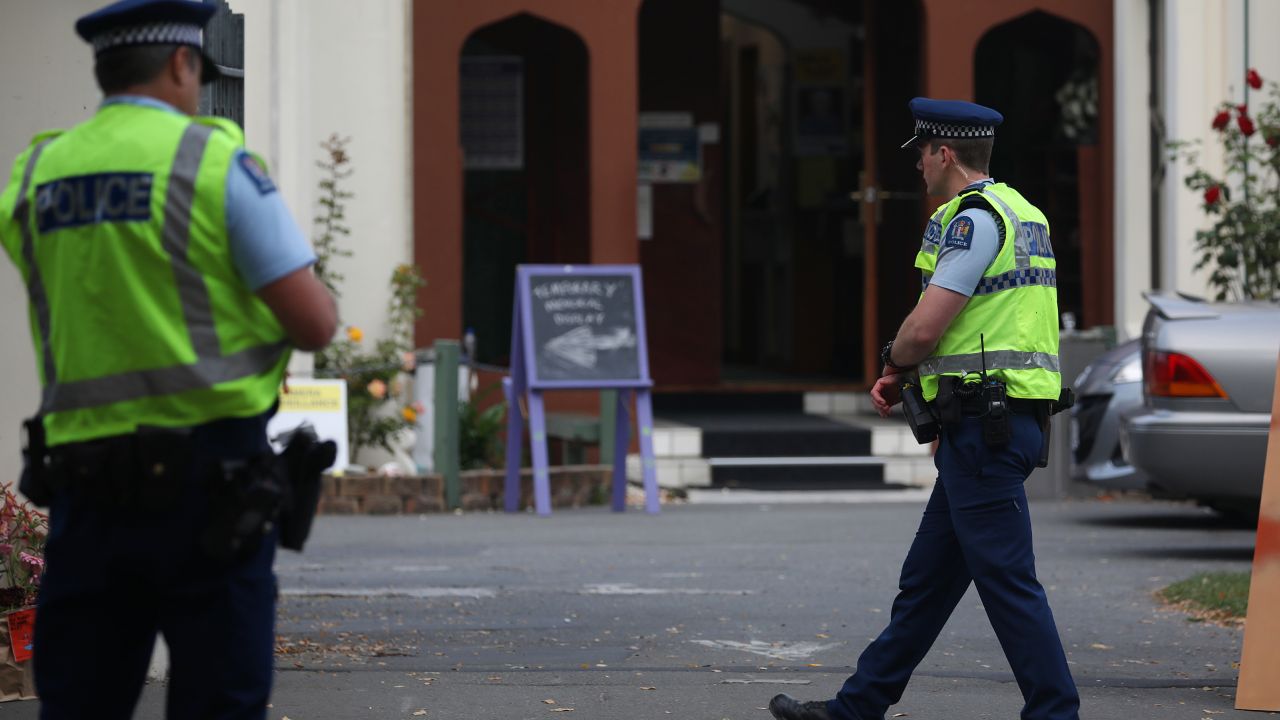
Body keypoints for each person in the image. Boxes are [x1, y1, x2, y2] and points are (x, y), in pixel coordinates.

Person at [0, 0, 338, 717]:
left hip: (83, 493)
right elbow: (314, 323)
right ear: (182, 63)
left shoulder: (35, 177)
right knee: (221, 700)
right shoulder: (211, 164)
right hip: (210, 495)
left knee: (80, 703)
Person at [768, 98, 1080, 720]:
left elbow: (928, 325)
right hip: (994, 425)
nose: (914, 165)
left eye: (920, 153)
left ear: (945, 154)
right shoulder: (1025, 212)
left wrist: (894, 362)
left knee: (1010, 586)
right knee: (927, 586)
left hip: (985, 430)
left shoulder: (972, 220)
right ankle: (855, 708)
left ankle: (1055, 713)